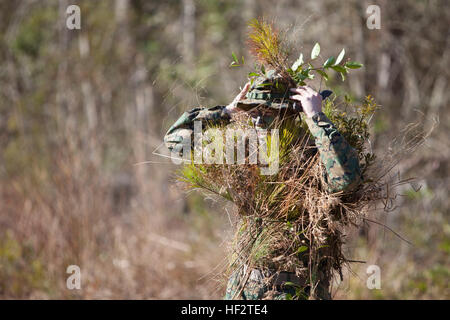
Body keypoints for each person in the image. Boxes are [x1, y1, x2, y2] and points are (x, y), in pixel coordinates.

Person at [164, 72, 362, 299]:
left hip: (296, 289)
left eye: (267, 112)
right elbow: (175, 141)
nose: (258, 120)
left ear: (289, 113)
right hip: (244, 287)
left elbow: (346, 181)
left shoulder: (311, 154)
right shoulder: (242, 149)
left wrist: (316, 117)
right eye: (253, 111)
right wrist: (226, 112)